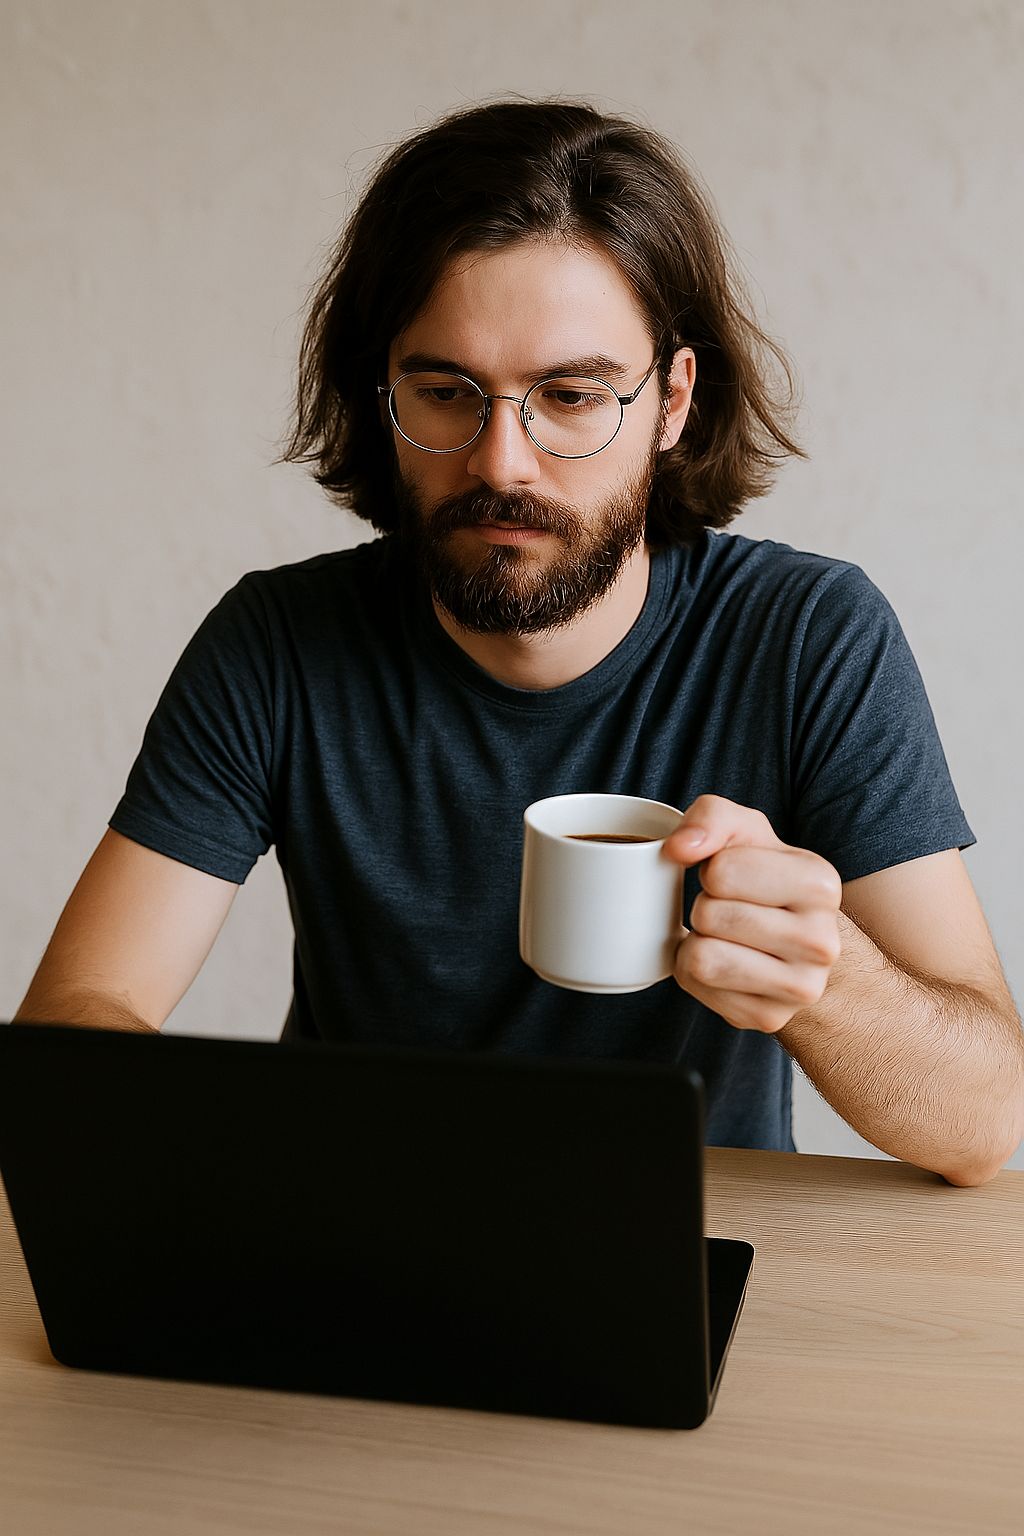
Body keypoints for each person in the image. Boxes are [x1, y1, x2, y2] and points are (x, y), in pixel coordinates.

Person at [16, 99, 1022, 1185]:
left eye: (571, 395)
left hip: (703, 1247)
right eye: (445, 392)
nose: (503, 462)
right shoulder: (280, 646)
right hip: (357, 1240)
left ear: (671, 401)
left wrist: (828, 986)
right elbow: (77, 1017)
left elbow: (983, 1123)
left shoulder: (807, 639)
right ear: (382, 391)